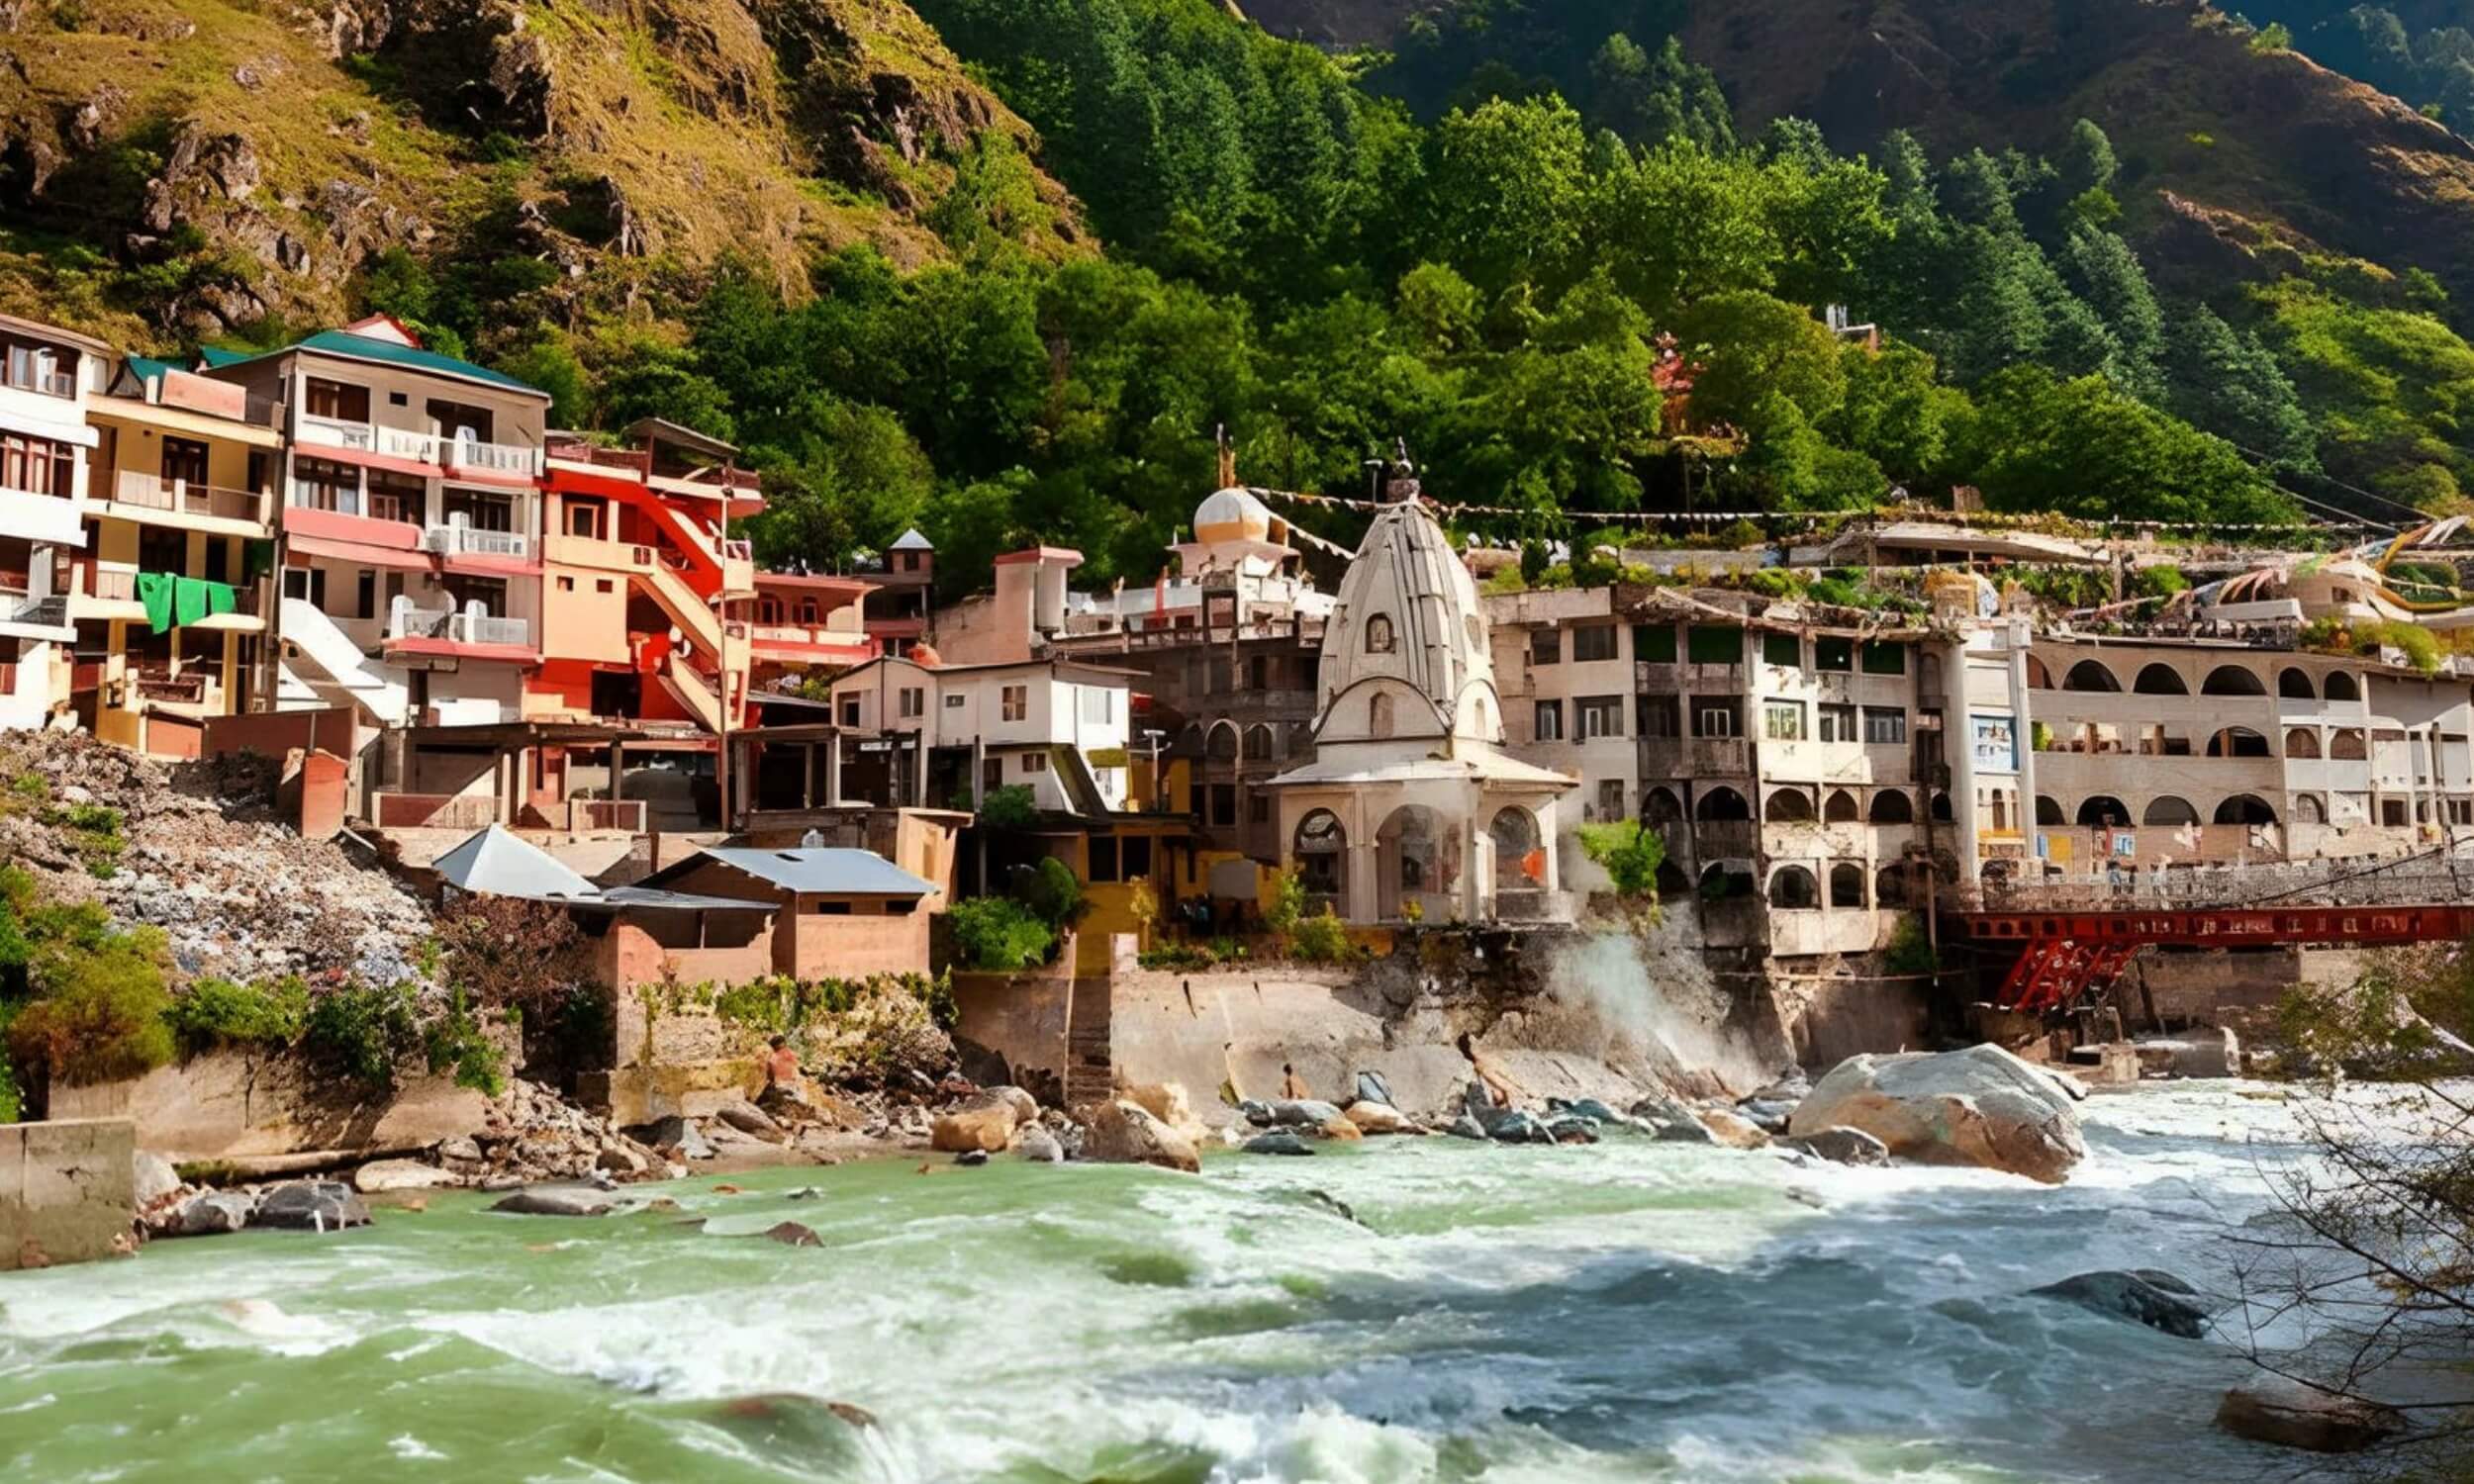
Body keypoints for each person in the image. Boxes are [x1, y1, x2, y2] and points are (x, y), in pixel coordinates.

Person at [1456, 1032, 1521, 1109]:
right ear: (1503, 1097)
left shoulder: (1494, 1089)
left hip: (1481, 1067)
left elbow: (1486, 1079)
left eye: (1495, 1099)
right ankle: (1467, 1037)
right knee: (1475, 1052)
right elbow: (1499, 1076)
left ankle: (1465, 1039)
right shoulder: (1504, 1086)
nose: (1495, 1096)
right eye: (1497, 1098)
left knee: (1471, 1055)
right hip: (1486, 1065)